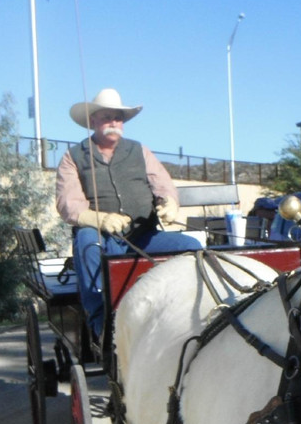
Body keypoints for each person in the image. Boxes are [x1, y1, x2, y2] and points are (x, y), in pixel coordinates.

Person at [55, 88, 202, 338]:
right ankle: (101, 324)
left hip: (143, 236)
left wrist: (169, 203)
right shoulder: (73, 156)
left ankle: (187, 311)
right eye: (107, 117)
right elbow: (68, 204)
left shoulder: (140, 151)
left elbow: (163, 185)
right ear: (93, 121)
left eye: (118, 118)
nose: (113, 122)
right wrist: (101, 219)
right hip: (102, 237)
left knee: (192, 246)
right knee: (88, 243)